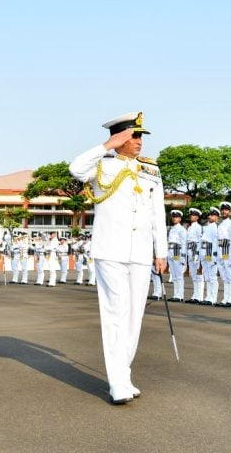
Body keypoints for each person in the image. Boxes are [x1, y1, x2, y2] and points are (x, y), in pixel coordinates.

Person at [69, 111, 166, 404]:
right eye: (134, 136)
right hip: (110, 248)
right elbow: (75, 169)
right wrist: (107, 145)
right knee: (115, 313)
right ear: (120, 137)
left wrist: (160, 251)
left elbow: (157, 214)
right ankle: (117, 384)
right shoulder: (101, 165)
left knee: (134, 315)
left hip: (139, 251)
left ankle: (123, 374)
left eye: (140, 137)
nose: (139, 142)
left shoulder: (151, 170)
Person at [217, 201, 231, 307]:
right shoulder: (220, 225)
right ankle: (226, 298)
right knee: (224, 277)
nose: (224, 212)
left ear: (229, 212)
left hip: (229, 253)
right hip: (222, 253)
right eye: (222, 210)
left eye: (226, 210)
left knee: (230, 277)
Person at [200, 207, 221, 306]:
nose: (210, 216)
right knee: (207, 277)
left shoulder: (215, 228)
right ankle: (208, 296)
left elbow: (216, 243)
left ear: (216, 217)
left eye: (212, 215)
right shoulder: (207, 227)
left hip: (211, 254)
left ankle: (213, 298)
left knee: (212, 277)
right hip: (205, 254)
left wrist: (215, 257)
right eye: (210, 215)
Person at [167, 210, 188, 302]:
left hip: (177, 252)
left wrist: (183, 257)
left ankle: (180, 295)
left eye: (176, 217)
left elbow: (184, 243)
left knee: (179, 275)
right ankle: (176, 294)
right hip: (171, 252)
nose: (174, 218)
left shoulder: (181, 229)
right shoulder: (172, 229)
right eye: (173, 217)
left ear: (180, 219)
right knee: (174, 275)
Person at [184, 208, 204, 303]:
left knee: (198, 276)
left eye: (194, 215)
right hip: (190, 252)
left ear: (197, 217)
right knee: (194, 276)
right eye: (191, 215)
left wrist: (198, 255)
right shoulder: (190, 227)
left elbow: (200, 242)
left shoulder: (199, 227)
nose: (192, 217)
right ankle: (195, 295)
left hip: (196, 252)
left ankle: (199, 296)